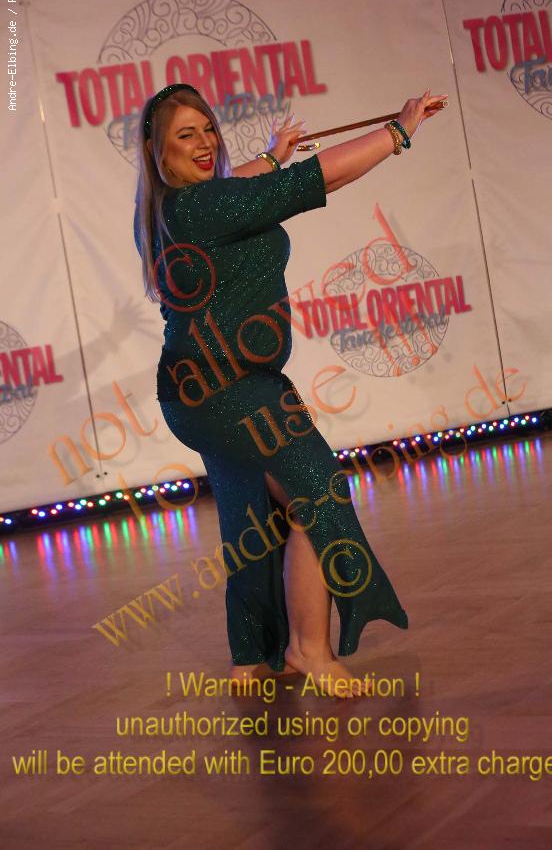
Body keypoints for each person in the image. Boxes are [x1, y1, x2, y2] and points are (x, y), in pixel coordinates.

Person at [133, 83, 447, 698]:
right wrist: (398, 132)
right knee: (317, 496)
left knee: (250, 514)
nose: (205, 143)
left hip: (194, 392)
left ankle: (252, 653)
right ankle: (309, 649)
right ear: (157, 150)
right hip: (234, 388)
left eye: (208, 129)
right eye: (186, 135)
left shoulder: (169, 207)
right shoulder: (206, 206)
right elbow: (319, 178)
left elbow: (241, 184)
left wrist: (271, 156)